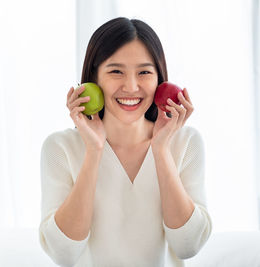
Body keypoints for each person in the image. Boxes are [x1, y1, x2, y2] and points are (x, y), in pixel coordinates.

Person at [39, 17, 212, 267]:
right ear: (94, 78)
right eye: (116, 71)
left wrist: (161, 149)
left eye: (144, 72)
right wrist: (94, 150)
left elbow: (188, 245)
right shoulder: (60, 147)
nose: (131, 86)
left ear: (160, 79)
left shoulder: (185, 142)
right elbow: (63, 254)